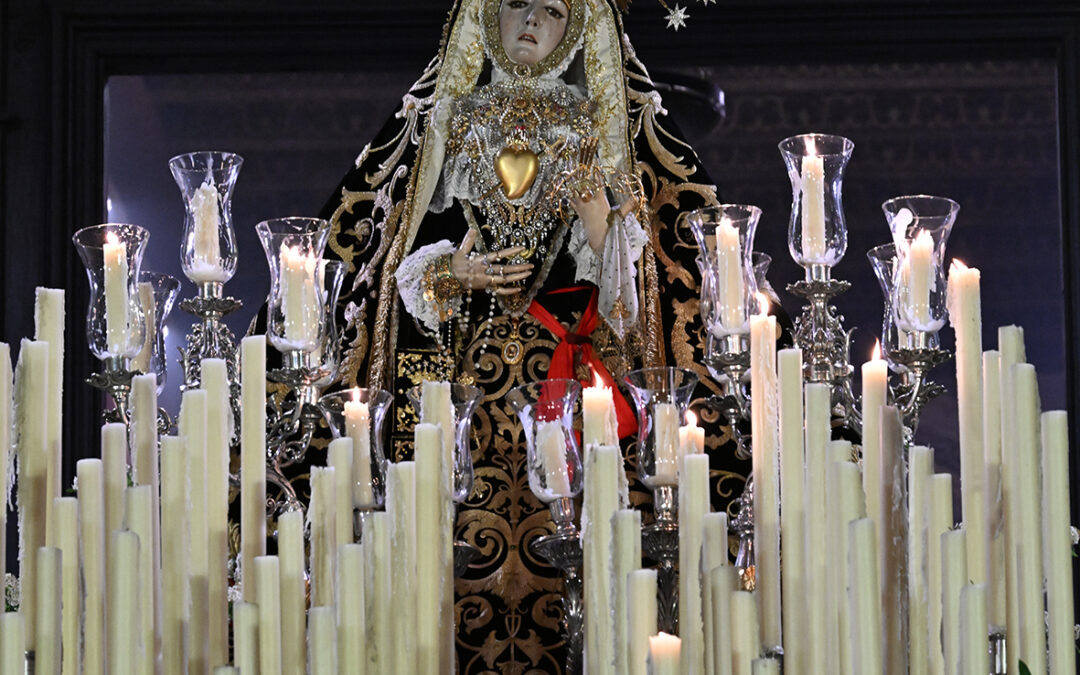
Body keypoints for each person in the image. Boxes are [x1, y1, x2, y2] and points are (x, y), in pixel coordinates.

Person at [318, 0, 724, 670]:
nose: (532, 22)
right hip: (465, 418)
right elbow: (393, 271)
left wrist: (599, 223)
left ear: (579, 33)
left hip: (568, 413)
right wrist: (456, 270)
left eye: (555, 11)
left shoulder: (593, 130)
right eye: (516, 5)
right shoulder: (450, 126)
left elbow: (635, 313)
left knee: (584, 586)